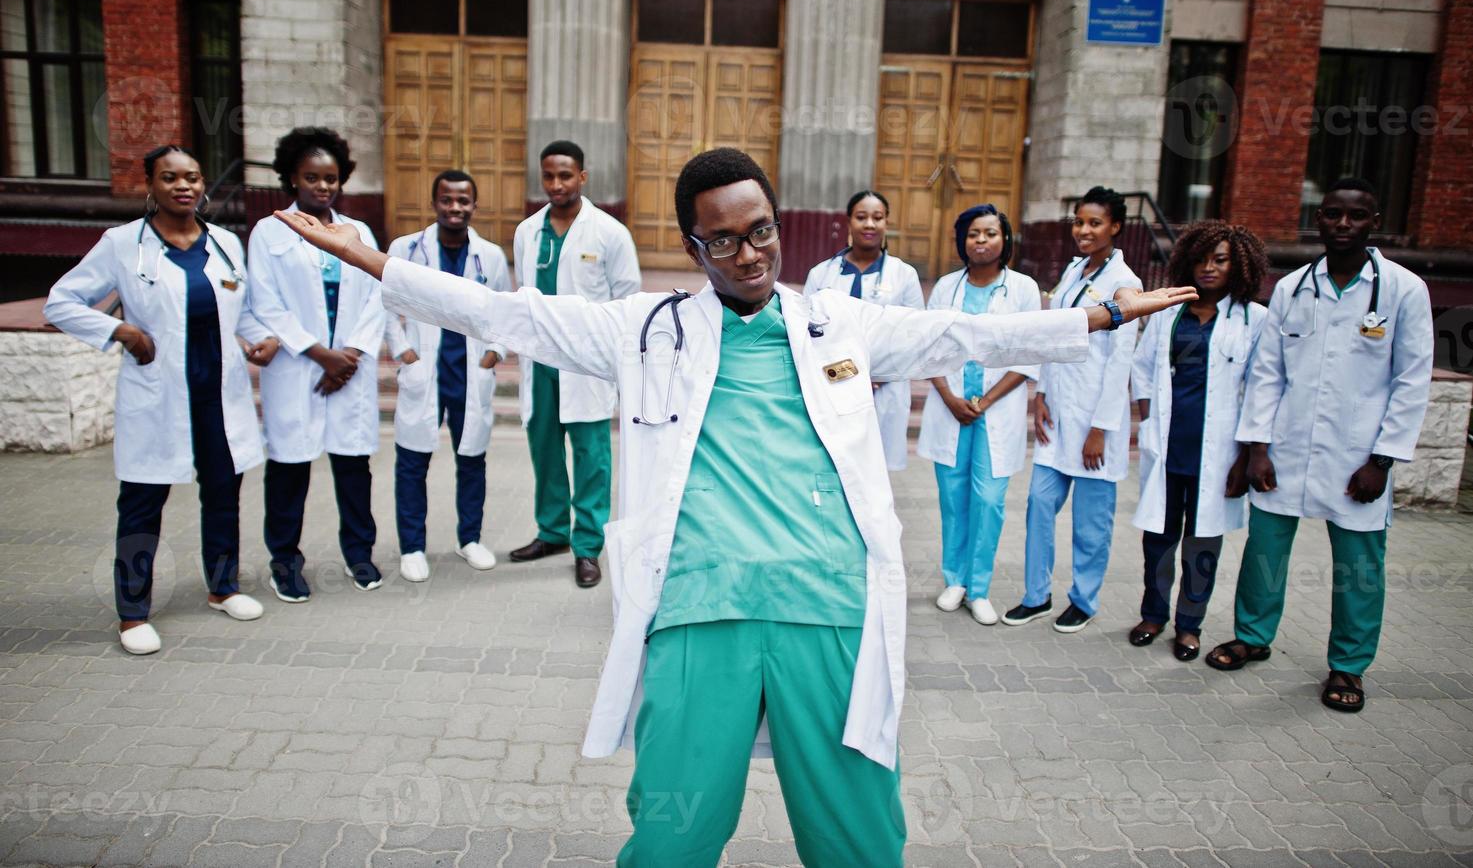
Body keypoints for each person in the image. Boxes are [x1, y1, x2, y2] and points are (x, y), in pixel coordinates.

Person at [271, 147, 1194, 866]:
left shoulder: (839, 319)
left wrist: (1099, 318)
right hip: (697, 607)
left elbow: (966, 332)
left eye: (760, 231)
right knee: (672, 836)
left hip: (826, 606)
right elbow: (511, 314)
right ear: (693, 246)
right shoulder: (646, 326)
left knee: (859, 839)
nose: (748, 253)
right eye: (723, 240)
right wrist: (369, 262)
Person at [1207, 177, 1433, 713]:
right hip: (1284, 449)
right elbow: (1267, 374)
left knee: (1358, 564)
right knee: (1265, 550)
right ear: (1320, 219)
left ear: (1373, 222)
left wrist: (1382, 460)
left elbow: (1412, 381)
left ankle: (1349, 667)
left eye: (1355, 217)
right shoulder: (1292, 288)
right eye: (1332, 215)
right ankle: (1252, 635)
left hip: (1358, 455)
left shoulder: (1403, 289)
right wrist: (1255, 446)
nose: (1342, 225)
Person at [44, 146, 279, 655]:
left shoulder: (225, 243)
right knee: (142, 504)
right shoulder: (121, 244)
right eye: (169, 178)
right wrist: (121, 330)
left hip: (218, 396)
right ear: (149, 185)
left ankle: (223, 587)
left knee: (223, 493)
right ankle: (133, 614)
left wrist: (266, 338)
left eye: (192, 177)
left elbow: (245, 311)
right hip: (159, 398)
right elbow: (60, 302)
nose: (183, 186)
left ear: (203, 184)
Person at [247, 127, 387, 601]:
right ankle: (285, 561)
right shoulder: (270, 231)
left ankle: (360, 554)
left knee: (353, 469)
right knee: (290, 470)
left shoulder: (358, 232)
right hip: (298, 366)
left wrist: (350, 355)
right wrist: (319, 353)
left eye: (331, 178)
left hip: (349, 367)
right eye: (311, 177)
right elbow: (265, 301)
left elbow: (377, 297)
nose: (323, 187)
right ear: (291, 178)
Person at [1004, 186, 1143, 634]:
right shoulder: (1072, 271)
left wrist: (1101, 428)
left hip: (1094, 424)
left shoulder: (1127, 284)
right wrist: (1041, 394)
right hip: (1059, 414)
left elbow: (1120, 360)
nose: (1084, 230)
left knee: (1090, 524)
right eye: (1079, 222)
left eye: (1094, 223)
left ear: (1115, 227)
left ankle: (1083, 599)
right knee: (1039, 505)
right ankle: (1036, 595)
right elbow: (1053, 334)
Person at [1129, 221, 1268, 661]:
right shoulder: (1168, 312)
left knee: (1202, 543)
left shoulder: (1254, 319)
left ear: (1238, 265)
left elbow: (1261, 389)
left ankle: (1190, 624)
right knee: (1159, 540)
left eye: (1220, 260)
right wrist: (1150, 422)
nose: (1208, 267)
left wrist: (1246, 456)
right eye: (1202, 259)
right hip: (1168, 449)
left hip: (1220, 453)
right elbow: (1142, 370)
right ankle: (1153, 615)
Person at [508, 140, 641, 589]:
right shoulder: (528, 231)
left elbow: (628, 302)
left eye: (566, 175)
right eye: (548, 175)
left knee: (591, 459)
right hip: (541, 359)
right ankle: (551, 533)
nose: (556, 184)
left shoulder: (609, 232)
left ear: (582, 177)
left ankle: (587, 547)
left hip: (586, 363)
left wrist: (621, 365)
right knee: (544, 451)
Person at [916, 205, 1041, 625]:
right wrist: (950, 397)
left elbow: (1028, 355)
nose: (981, 241)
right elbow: (927, 348)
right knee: (953, 499)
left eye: (990, 233)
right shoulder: (946, 288)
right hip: (951, 408)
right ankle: (955, 580)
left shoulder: (1022, 289)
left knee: (989, 500)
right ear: (962, 240)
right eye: (973, 234)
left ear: (1005, 239)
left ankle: (979, 588)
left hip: (996, 411)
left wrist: (984, 402)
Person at [386, 170, 512, 583]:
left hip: (469, 372)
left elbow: (504, 310)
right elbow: (385, 303)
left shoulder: (488, 255)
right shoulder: (406, 249)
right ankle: (412, 547)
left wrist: (495, 352)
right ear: (434, 202)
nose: (454, 208)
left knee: (471, 459)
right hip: (424, 369)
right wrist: (403, 351)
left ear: (474, 205)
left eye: (463, 201)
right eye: (447, 200)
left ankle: (470, 539)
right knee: (412, 460)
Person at [803, 190, 924, 471]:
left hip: (886, 384)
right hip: (833, 380)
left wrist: (877, 370)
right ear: (849, 222)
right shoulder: (822, 274)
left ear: (886, 223)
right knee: (836, 464)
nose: (869, 224)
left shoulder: (904, 275)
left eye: (877, 217)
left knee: (877, 471)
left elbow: (915, 332)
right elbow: (805, 331)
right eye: (861, 217)